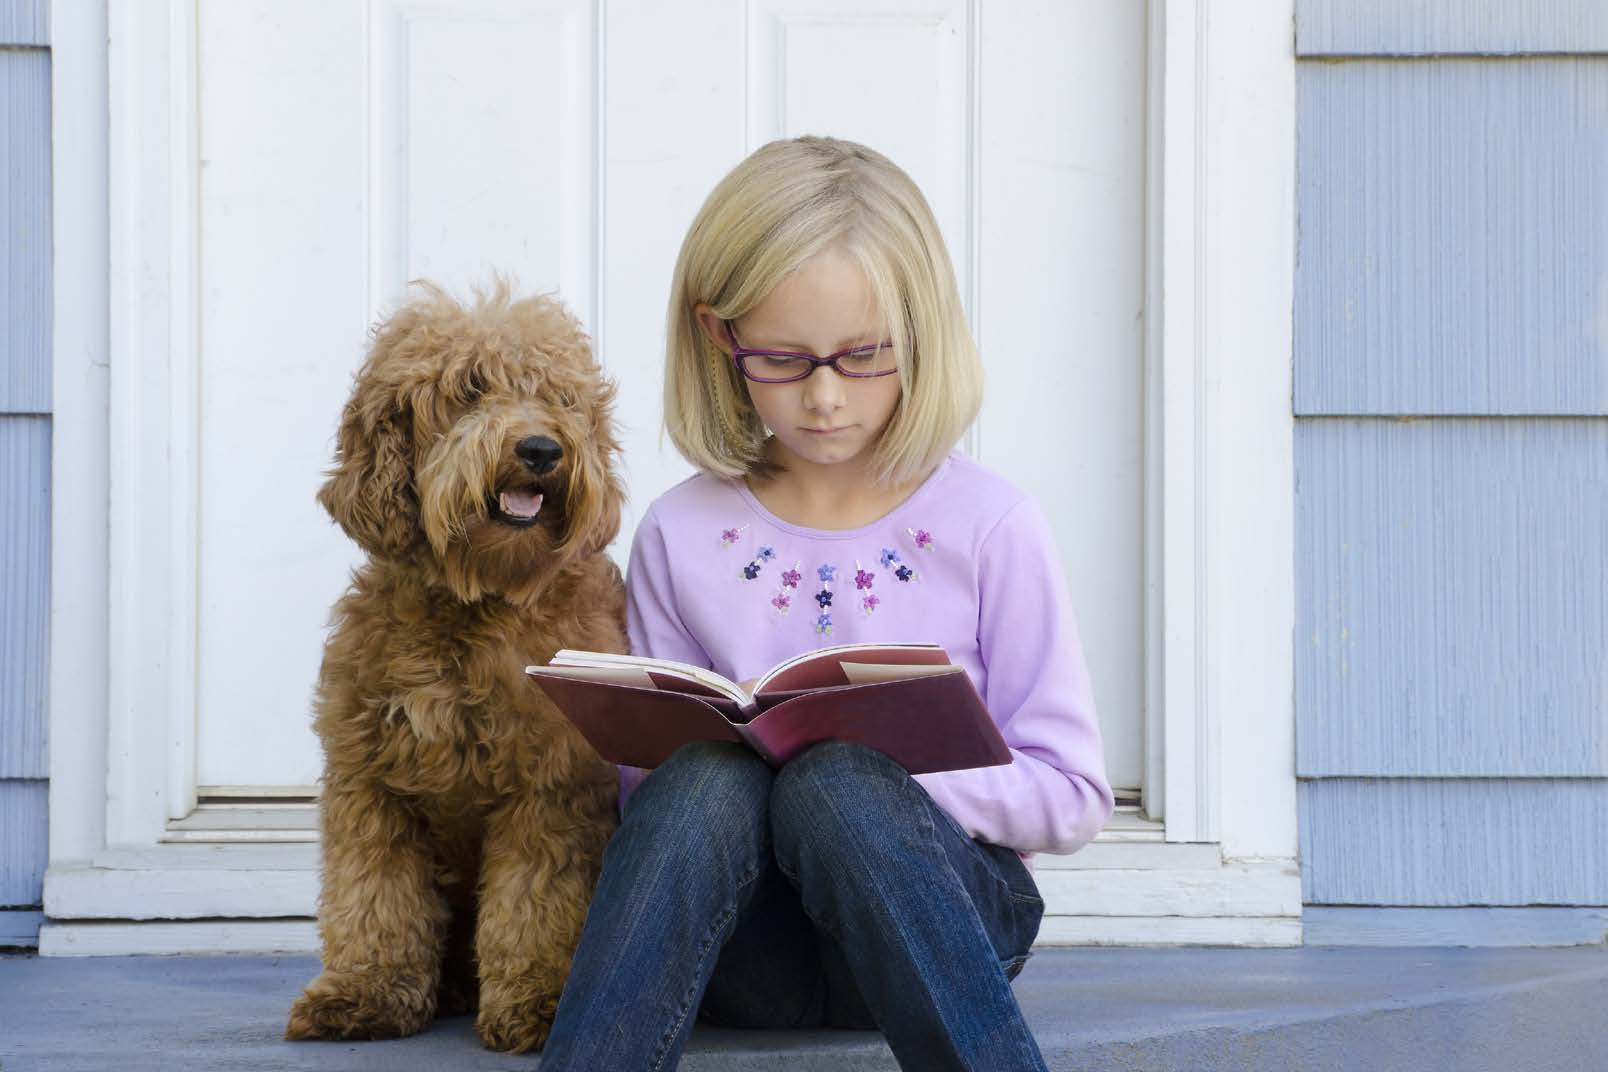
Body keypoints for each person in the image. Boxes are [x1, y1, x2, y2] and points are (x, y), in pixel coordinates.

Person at [538, 135, 1114, 1071]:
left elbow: (1076, 795)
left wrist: (879, 776)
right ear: (719, 336)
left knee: (837, 784)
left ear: (921, 333)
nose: (824, 398)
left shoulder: (991, 524)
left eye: (863, 356)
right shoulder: (679, 534)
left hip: (946, 923)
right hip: (739, 954)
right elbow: (649, 802)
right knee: (704, 781)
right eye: (782, 358)